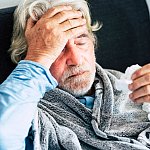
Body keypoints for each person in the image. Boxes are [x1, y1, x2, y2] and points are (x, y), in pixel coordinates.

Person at [0, 0, 150, 149]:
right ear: (27, 57)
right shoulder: (27, 118)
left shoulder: (132, 84)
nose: (76, 60)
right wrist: (38, 57)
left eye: (81, 41)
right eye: (58, 48)